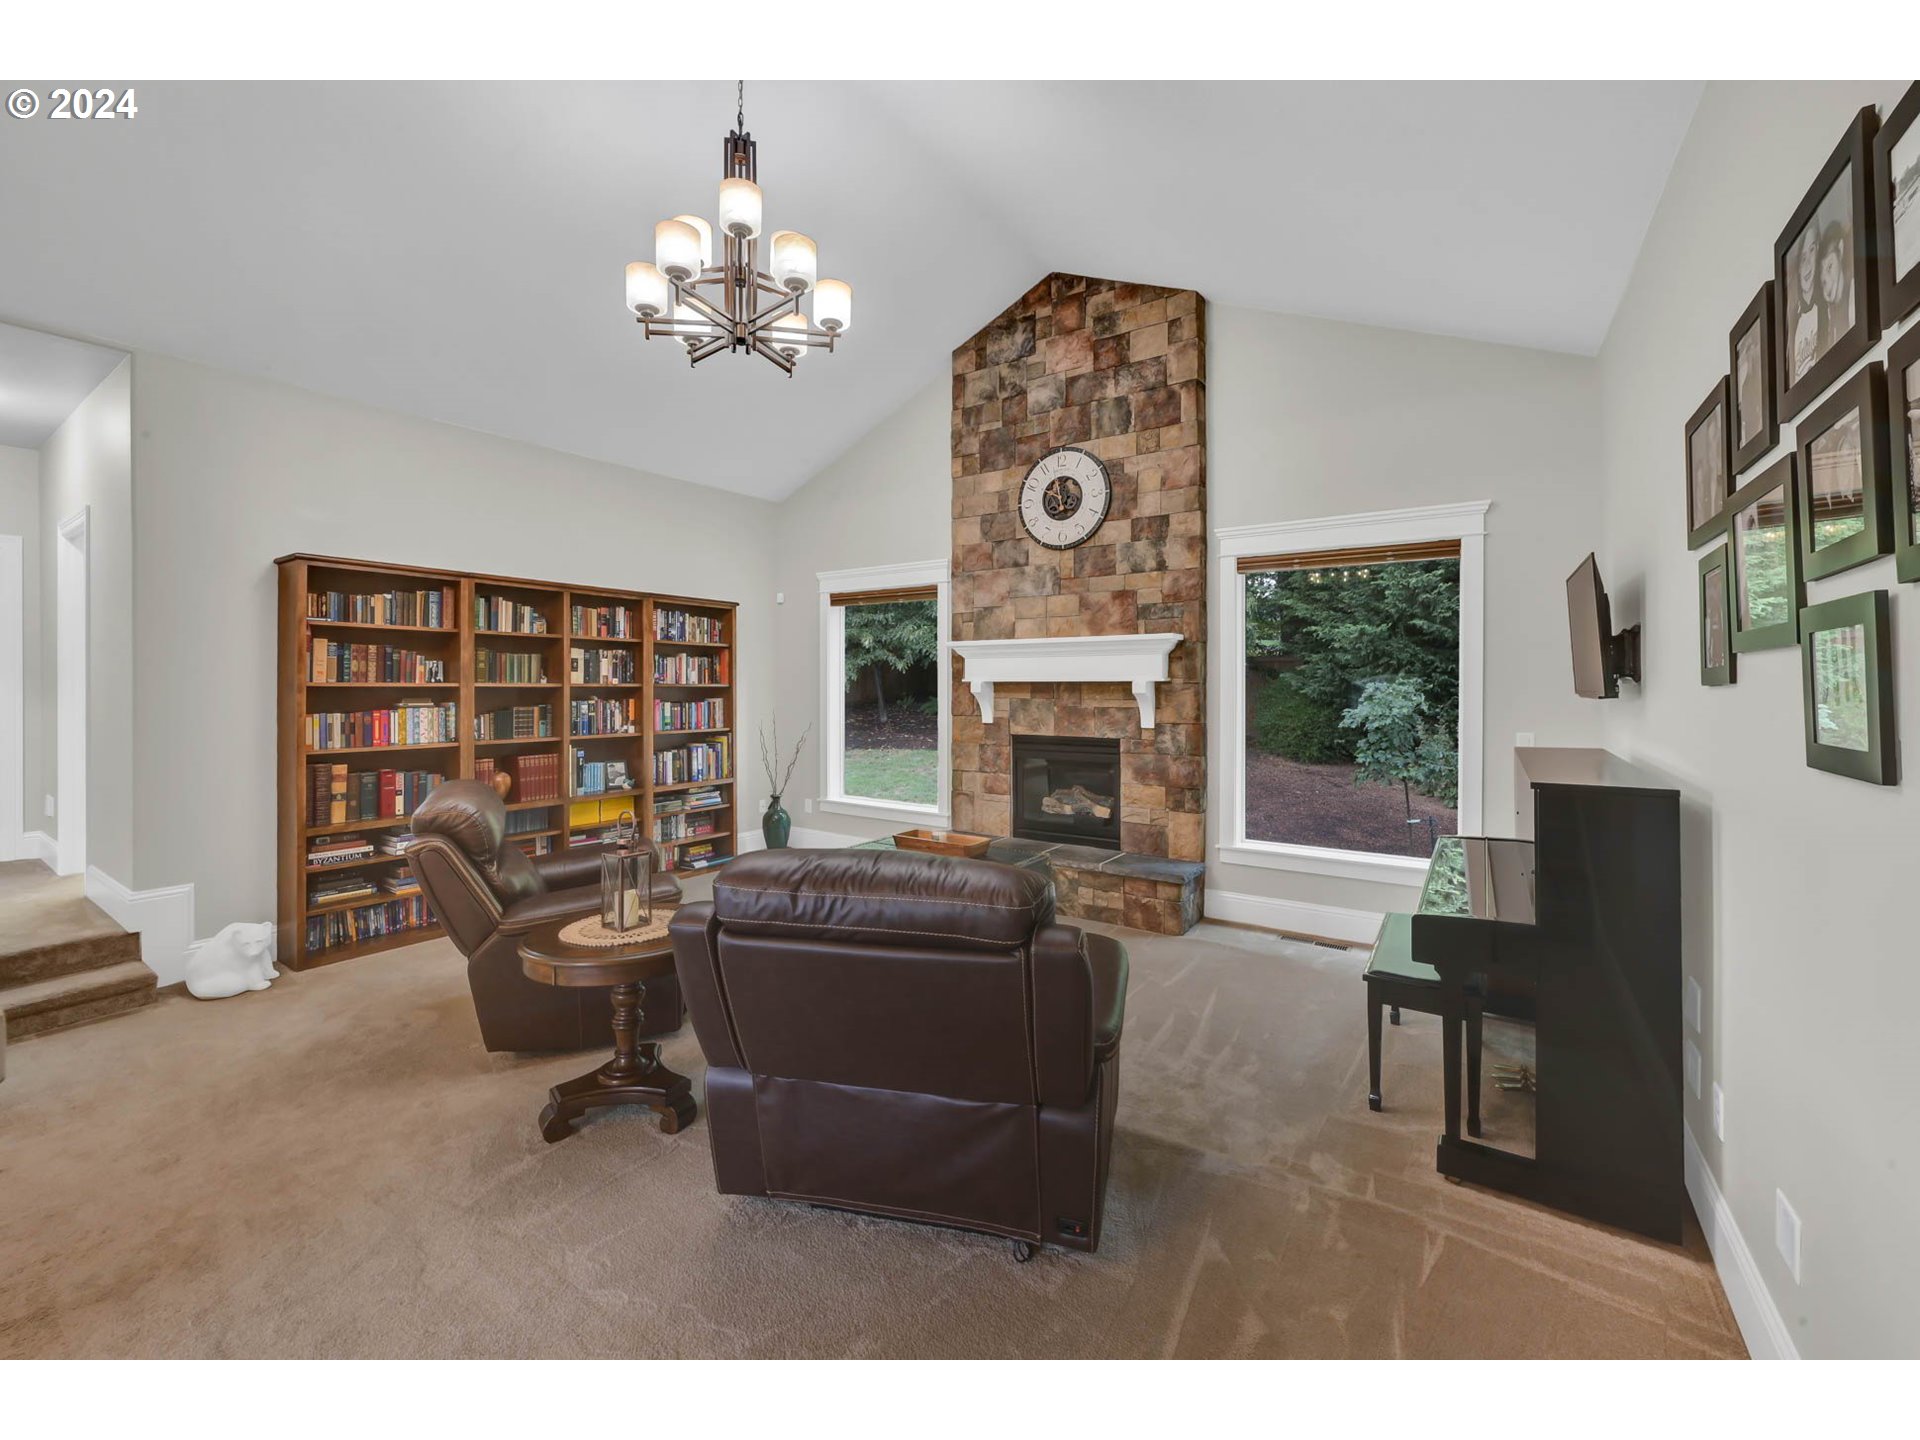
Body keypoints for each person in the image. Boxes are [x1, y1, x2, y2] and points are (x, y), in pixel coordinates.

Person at [1789, 224, 1822, 384]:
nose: (1807, 263)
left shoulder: (1827, 309)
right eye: (1802, 258)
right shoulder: (1795, 325)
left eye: (1812, 250)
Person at [1818, 219, 1853, 351]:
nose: (1824, 278)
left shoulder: (1854, 295)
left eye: (1830, 266)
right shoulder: (1828, 313)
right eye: (1821, 271)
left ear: (1841, 249)